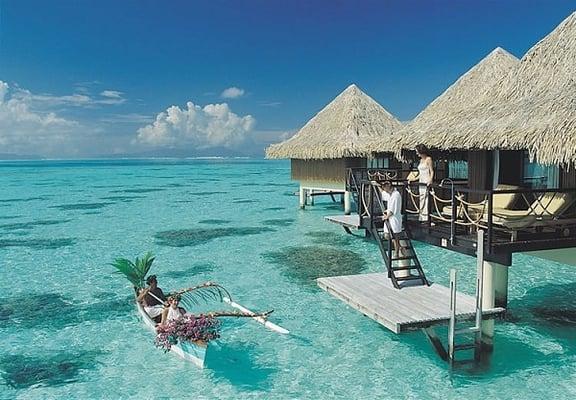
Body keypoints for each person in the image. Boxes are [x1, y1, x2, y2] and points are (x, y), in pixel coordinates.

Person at [379, 181, 404, 257]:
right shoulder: (390, 194)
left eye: (384, 186)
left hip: (395, 217)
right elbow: (382, 193)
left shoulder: (396, 195)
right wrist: (376, 185)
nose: (383, 188)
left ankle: (396, 252)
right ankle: (400, 247)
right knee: (387, 235)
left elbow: (393, 209)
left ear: (389, 185)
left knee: (395, 236)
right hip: (391, 217)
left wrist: (386, 216)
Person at [414, 144, 434, 222]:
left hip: (426, 180)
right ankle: (422, 216)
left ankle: (428, 218)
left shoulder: (428, 159)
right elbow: (420, 173)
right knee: (422, 198)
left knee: (427, 199)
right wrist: (414, 179)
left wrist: (430, 180)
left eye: (417, 152)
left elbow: (432, 171)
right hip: (421, 180)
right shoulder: (421, 160)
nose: (417, 153)